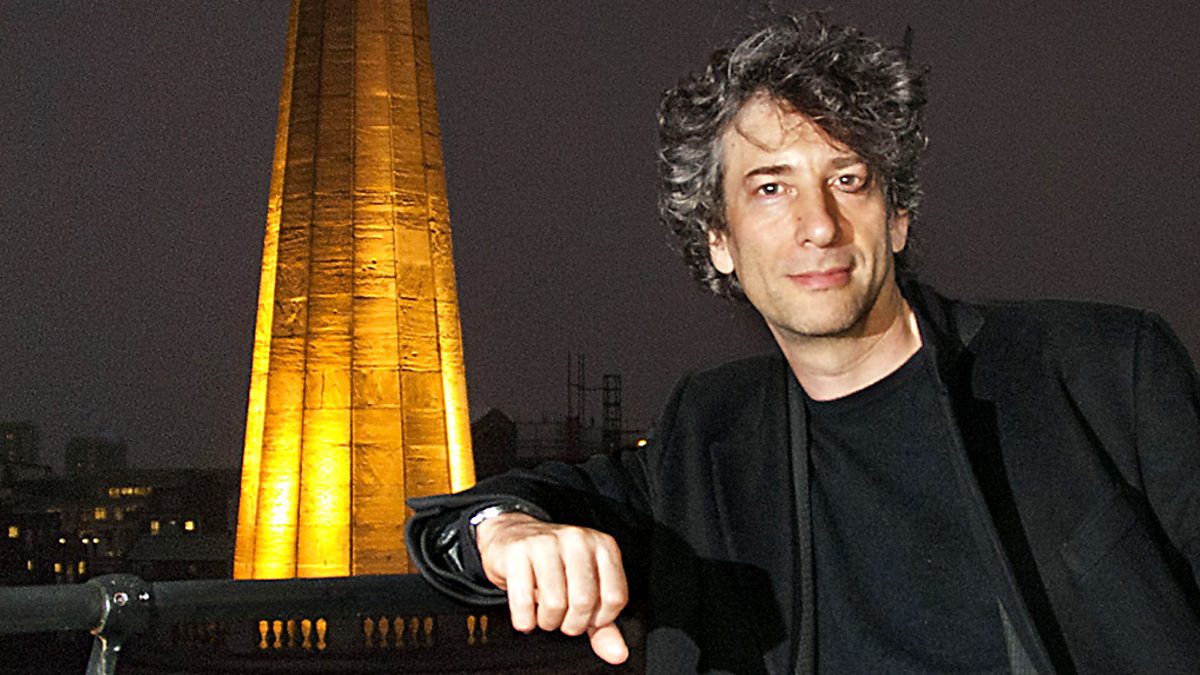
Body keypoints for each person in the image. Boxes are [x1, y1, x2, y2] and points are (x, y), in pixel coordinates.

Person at [406, 13, 1200, 674]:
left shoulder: (1102, 370)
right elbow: (458, 523)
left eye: (848, 179)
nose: (818, 224)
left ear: (897, 217)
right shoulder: (706, 432)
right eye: (770, 187)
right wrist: (505, 530)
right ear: (719, 239)